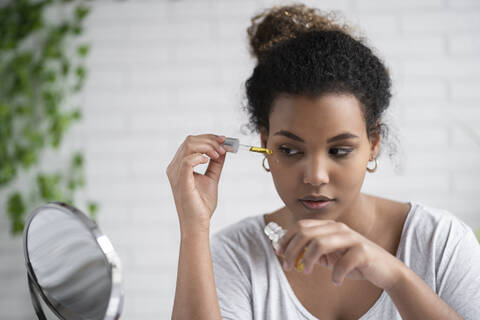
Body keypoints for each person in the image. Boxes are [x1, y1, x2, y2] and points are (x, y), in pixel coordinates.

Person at [167, 4, 480, 320]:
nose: (315, 177)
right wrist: (194, 227)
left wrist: (395, 276)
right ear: (264, 145)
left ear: (374, 143)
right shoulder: (237, 255)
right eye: (290, 150)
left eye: (339, 151)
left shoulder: (440, 243)